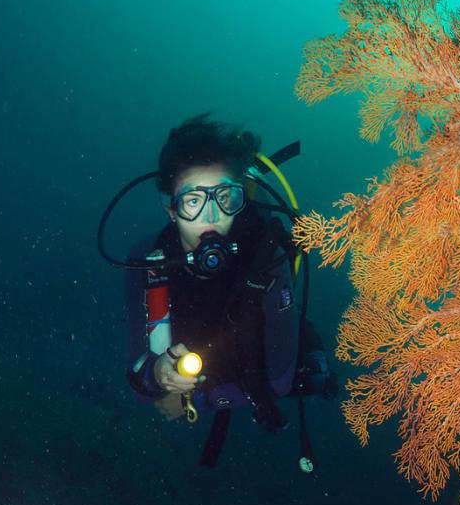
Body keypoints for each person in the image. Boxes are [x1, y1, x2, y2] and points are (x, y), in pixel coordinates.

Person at [123, 114, 318, 465]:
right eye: (193, 201)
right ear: (171, 209)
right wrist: (157, 373)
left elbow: (280, 379)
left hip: (250, 368)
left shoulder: (267, 257)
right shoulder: (147, 260)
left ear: (240, 197)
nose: (211, 217)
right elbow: (139, 377)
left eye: (225, 197)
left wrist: (198, 401)